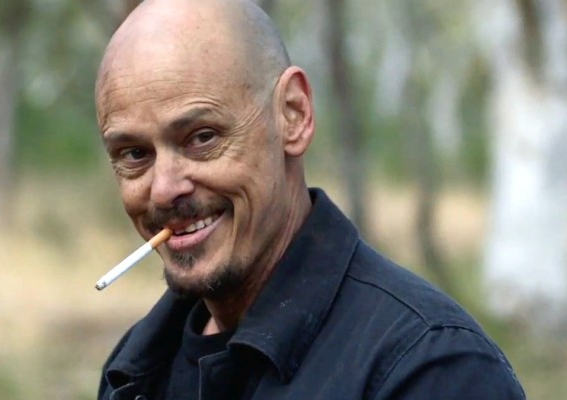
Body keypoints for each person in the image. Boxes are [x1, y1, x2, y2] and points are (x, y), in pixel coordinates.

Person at [93, 0, 526, 399]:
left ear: (293, 114)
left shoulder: (428, 369)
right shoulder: (135, 371)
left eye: (202, 138)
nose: (164, 189)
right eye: (134, 154)